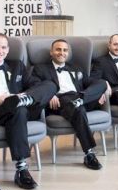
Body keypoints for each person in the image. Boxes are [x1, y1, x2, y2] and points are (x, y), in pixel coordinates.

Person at [0, 33, 57, 190]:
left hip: (22, 104)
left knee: (50, 85)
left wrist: (25, 96)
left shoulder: (17, 65)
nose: (0, 50)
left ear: (8, 50)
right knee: (18, 110)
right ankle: (21, 168)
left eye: (3, 47)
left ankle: (23, 99)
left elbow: (35, 83)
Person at [32, 39, 108, 170]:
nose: (62, 53)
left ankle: (81, 101)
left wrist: (98, 91)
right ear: (51, 52)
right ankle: (89, 153)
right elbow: (35, 86)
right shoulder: (40, 68)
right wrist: (50, 94)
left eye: (65, 50)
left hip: (80, 96)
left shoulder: (76, 67)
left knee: (102, 83)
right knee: (76, 107)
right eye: (58, 49)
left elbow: (89, 82)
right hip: (60, 101)